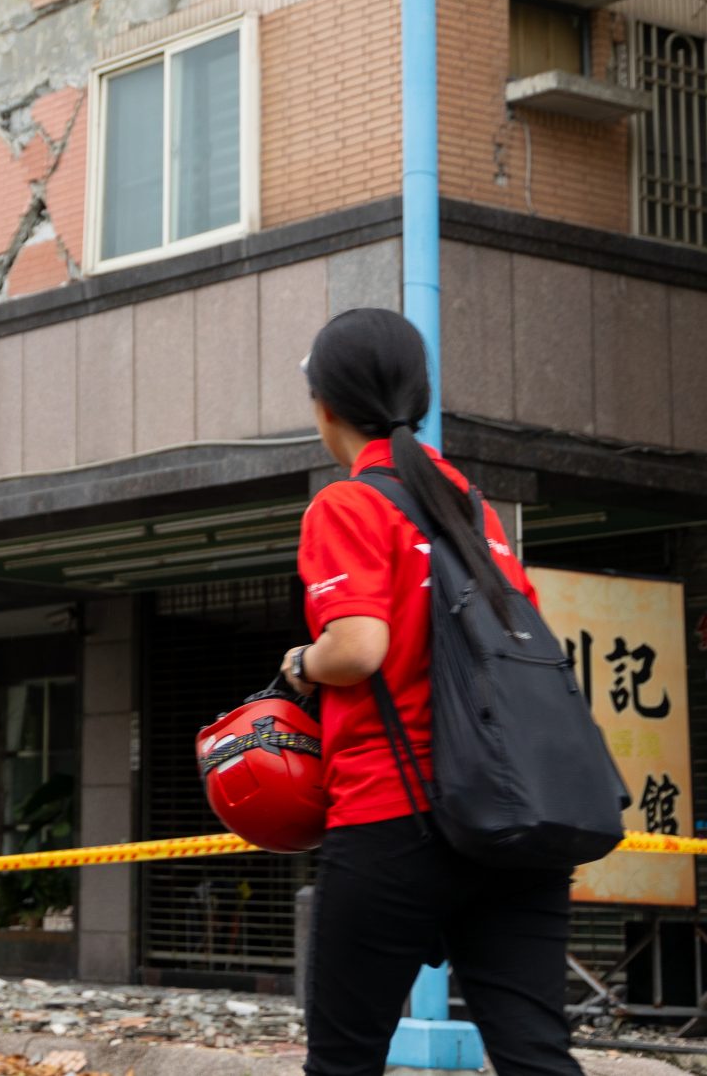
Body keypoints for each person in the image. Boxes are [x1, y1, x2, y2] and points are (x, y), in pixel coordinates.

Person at [279, 307, 577, 1076]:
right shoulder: (472, 508)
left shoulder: (348, 503)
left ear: (324, 406)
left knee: (343, 1062)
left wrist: (302, 663)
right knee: (536, 1057)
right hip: (513, 815)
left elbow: (358, 647)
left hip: (393, 817)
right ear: (419, 394)